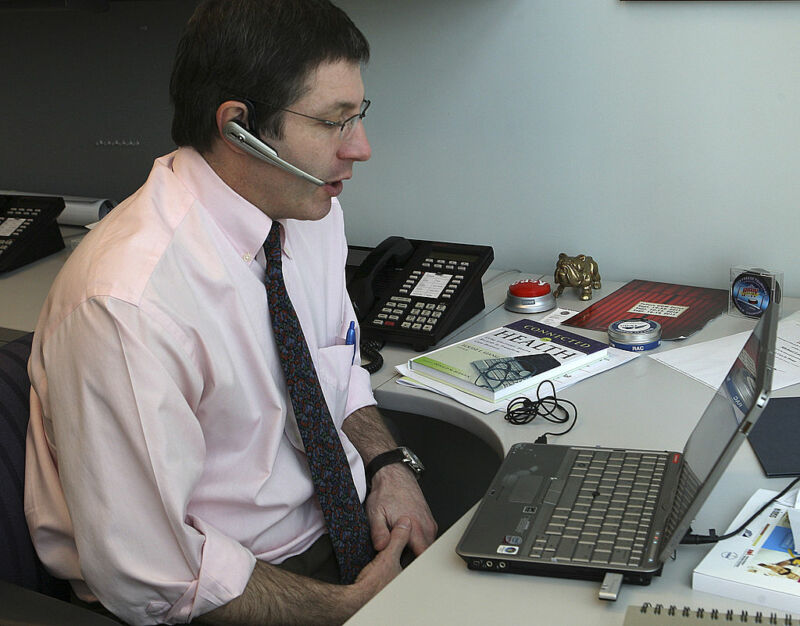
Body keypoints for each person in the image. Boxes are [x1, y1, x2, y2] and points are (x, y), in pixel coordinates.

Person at [24, 1, 436, 624]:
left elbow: (336, 368)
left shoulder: (306, 211)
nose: (362, 148)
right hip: (234, 587)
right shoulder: (128, 303)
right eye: (333, 122)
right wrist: (343, 608)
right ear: (238, 125)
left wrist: (386, 464)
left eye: (358, 116)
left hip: (345, 523)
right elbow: (151, 575)